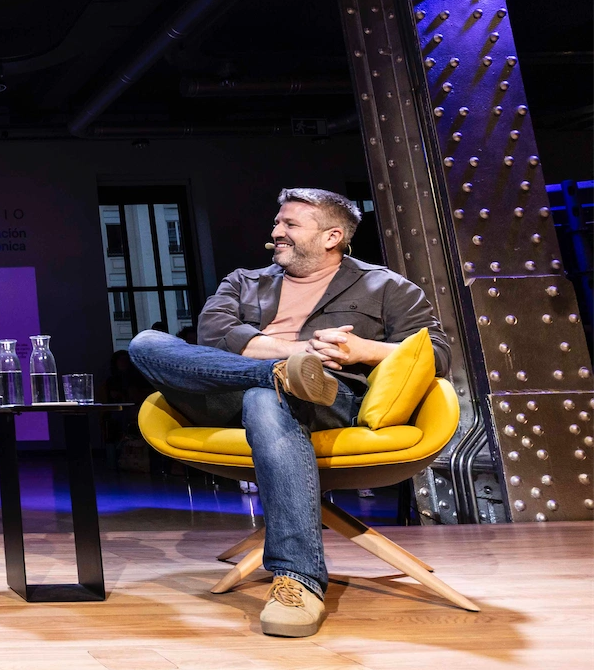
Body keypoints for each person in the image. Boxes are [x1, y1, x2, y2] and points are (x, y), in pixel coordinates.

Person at [127, 187, 448, 638]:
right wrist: (294, 357)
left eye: (290, 225)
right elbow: (215, 335)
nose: (276, 232)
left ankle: (296, 580)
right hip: (232, 389)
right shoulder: (244, 281)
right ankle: (279, 374)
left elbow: (436, 352)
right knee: (146, 344)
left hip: (327, 399)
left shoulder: (386, 287)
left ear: (333, 236)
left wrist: (362, 349)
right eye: (277, 223)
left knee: (267, 400)